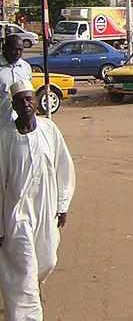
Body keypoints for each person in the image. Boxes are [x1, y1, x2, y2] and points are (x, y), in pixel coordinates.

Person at [0, 79, 76, 319]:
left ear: (36, 101)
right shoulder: (5, 137)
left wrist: (62, 204)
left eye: (29, 99)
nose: (25, 104)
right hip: (17, 213)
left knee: (48, 259)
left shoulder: (49, 129)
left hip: (45, 208)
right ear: (13, 105)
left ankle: (32, 285)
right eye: (20, 100)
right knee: (23, 266)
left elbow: (64, 167)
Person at [0, 35, 32, 125]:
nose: (18, 53)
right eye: (15, 49)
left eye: (21, 50)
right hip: (2, 123)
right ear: (4, 48)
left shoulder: (26, 67)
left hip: (20, 126)